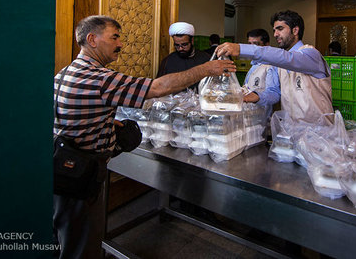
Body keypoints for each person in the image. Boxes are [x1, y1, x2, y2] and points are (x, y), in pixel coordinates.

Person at [53, 15, 235, 259]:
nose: (120, 44)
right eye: (114, 37)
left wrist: (106, 123)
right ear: (92, 39)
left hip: (60, 169)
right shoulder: (98, 78)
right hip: (81, 176)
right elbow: (158, 88)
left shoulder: (65, 72)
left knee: (66, 235)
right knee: (82, 244)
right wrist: (207, 69)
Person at [216, 10, 332, 123]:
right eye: (274, 30)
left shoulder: (311, 54)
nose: (275, 34)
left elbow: (288, 58)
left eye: (280, 29)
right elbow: (275, 93)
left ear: (295, 30)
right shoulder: (279, 64)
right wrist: (256, 96)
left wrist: (241, 49)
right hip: (292, 132)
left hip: (318, 132)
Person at [156, 21, 210, 90]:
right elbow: (159, 86)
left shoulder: (206, 58)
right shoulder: (167, 61)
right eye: (177, 45)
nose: (180, 48)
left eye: (184, 45)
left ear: (192, 41)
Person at [243, 28, 280, 118]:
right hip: (249, 115)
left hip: (261, 118)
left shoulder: (270, 66)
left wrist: (257, 96)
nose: (251, 48)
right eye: (249, 44)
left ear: (266, 45)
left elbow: (275, 94)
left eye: (255, 44)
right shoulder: (254, 65)